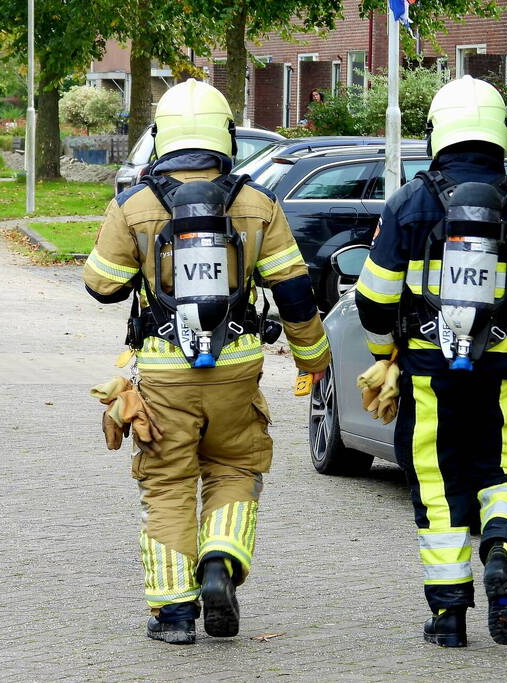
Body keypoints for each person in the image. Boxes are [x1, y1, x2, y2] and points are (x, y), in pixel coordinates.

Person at [84, 79, 329, 645]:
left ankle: (173, 615)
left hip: (166, 373)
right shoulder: (257, 203)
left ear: (161, 139)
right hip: (238, 369)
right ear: (225, 136)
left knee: (168, 483)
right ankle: (220, 564)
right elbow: (294, 292)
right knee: (235, 470)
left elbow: (102, 285)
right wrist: (312, 359)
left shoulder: (134, 205)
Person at [355, 75, 507, 648]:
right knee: (506, 475)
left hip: (430, 379)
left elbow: (373, 300)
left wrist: (385, 356)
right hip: (504, 378)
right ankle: (502, 551)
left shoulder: (409, 203)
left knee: (439, 488)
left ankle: (449, 616)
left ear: (437, 133)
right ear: (499, 133)